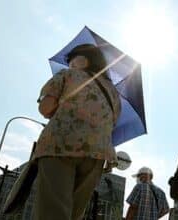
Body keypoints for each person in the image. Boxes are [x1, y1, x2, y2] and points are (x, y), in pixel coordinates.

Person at [33, 44, 121, 220]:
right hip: (96, 154)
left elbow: (45, 108)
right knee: (74, 213)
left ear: (84, 60)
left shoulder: (67, 75)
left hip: (60, 145)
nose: (70, 63)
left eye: (72, 59)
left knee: (53, 211)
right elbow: (113, 122)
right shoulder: (114, 93)